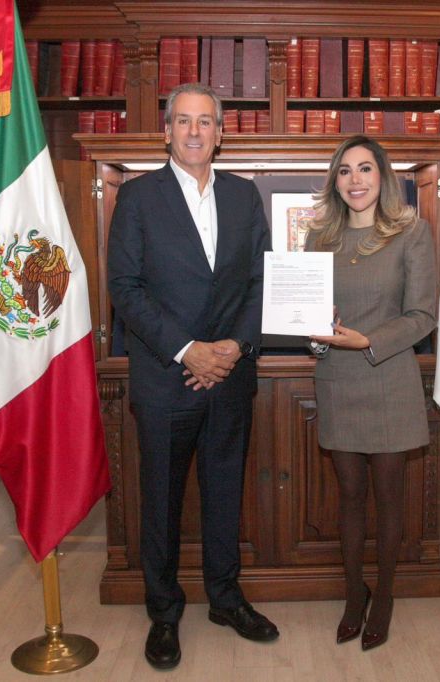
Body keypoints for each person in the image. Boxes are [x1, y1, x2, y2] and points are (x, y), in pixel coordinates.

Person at [106, 82, 276, 670]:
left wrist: (232, 347)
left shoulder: (243, 196)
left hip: (230, 375)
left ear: (221, 133)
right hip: (165, 379)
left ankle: (226, 599)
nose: (195, 131)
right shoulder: (137, 196)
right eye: (183, 120)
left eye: (205, 121)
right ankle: (163, 612)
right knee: (161, 500)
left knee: (226, 494)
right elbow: (125, 288)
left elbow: (262, 278)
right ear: (167, 131)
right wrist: (187, 351)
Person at [306, 135, 437, 651]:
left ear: (382, 176)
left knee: (387, 497)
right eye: (345, 171)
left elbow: (423, 315)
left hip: (388, 379)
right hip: (337, 380)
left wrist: (368, 340)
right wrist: (317, 337)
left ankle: (383, 595)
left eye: (365, 168)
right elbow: (310, 321)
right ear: (334, 181)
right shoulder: (319, 238)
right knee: (350, 497)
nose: (355, 180)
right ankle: (353, 594)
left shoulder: (412, 233)